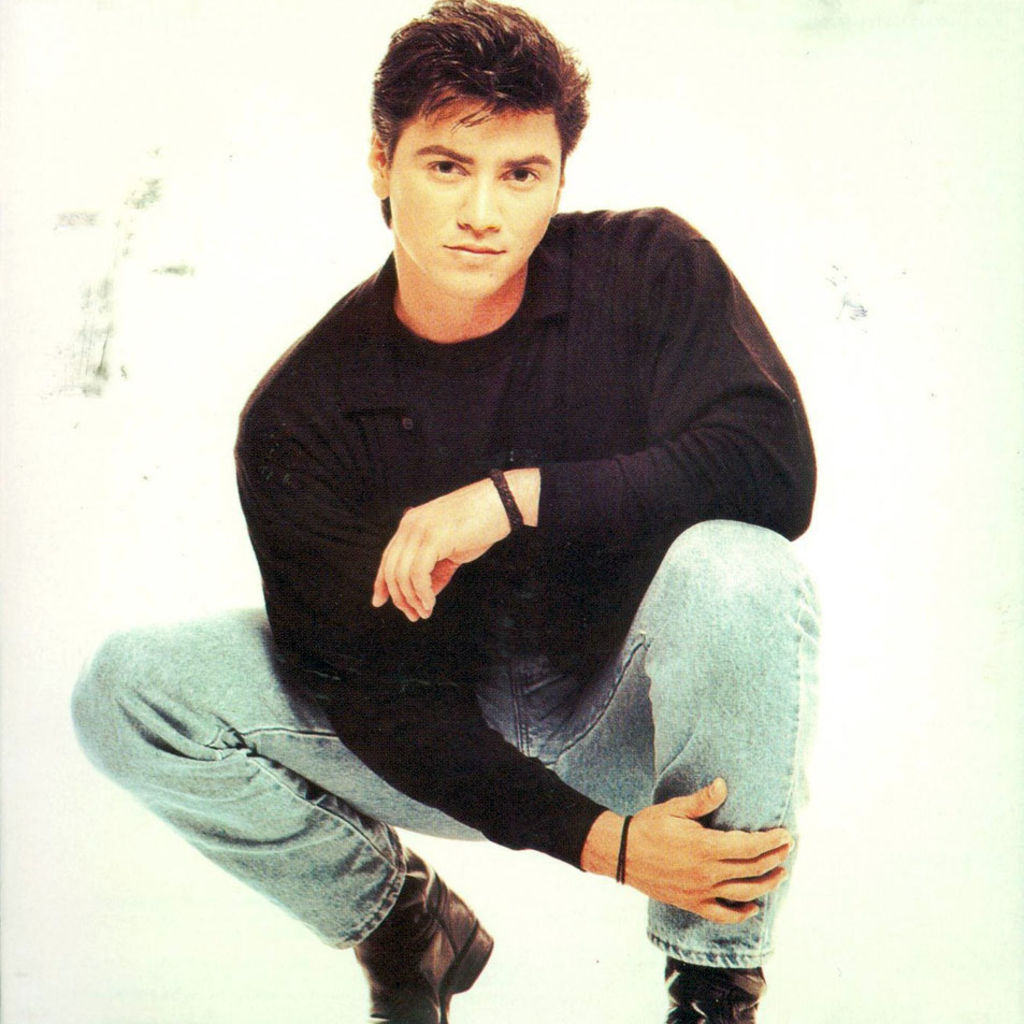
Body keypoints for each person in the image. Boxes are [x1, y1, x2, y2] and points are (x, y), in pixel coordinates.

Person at [71, 2, 820, 1021]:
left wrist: (515, 500)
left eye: (521, 174)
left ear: (559, 178)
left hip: (640, 719)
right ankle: (401, 921)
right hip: (433, 741)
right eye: (446, 166)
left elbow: (774, 473)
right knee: (130, 689)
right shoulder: (302, 411)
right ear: (381, 163)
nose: (483, 212)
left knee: (741, 565)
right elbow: (376, 703)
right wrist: (604, 845)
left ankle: (713, 983)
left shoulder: (648, 266)